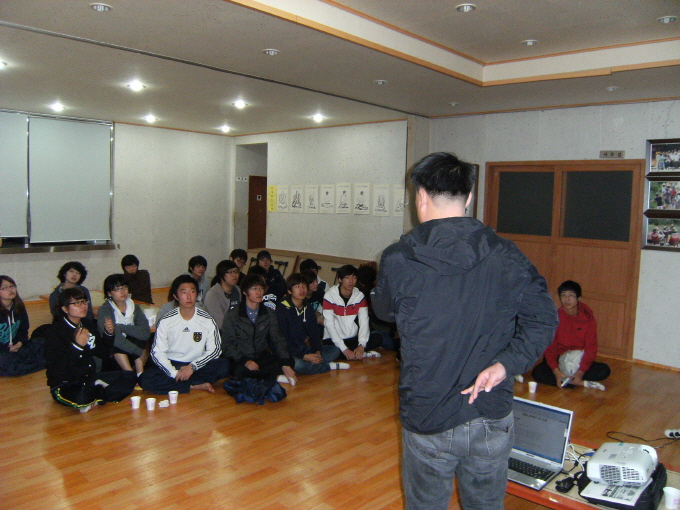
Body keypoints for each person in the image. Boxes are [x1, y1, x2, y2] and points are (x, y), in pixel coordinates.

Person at [372, 152, 557, 510]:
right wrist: (505, 365)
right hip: (489, 408)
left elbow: (384, 311)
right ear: (469, 197)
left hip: (427, 410)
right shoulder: (506, 254)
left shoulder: (398, 258)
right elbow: (544, 319)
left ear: (420, 197)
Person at [45, 287, 136, 412]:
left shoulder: (88, 324)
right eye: (77, 303)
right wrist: (77, 347)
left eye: (84, 301)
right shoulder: (55, 332)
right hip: (65, 384)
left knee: (130, 377)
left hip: (89, 378)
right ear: (65, 309)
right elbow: (59, 369)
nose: (83, 306)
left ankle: (95, 394)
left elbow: (103, 353)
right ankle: (98, 394)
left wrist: (109, 334)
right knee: (81, 398)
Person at [139, 275, 229, 394]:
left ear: (197, 294)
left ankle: (180, 384)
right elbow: (157, 352)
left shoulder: (207, 320)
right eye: (184, 292)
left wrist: (192, 367)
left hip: (196, 364)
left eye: (192, 291)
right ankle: (193, 385)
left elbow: (215, 350)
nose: (189, 296)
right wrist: (174, 373)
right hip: (172, 362)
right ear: (176, 296)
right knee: (145, 379)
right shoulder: (166, 320)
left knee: (224, 365)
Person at [532, 280, 610, 391]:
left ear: (579, 298)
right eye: (563, 295)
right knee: (538, 373)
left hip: (578, 359)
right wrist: (556, 371)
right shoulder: (555, 318)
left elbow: (591, 348)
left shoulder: (588, 319)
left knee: (604, 370)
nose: (566, 299)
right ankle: (579, 383)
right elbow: (550, 348)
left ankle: (568, 381)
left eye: (571, 296)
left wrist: (581, 372)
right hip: (559, 357)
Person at [221, 274, 296, 384]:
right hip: (241, 358)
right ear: (245, 292)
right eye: (254, 288)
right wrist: (245, 361)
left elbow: (278, 339)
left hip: (261, 357)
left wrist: (285, 364)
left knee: (290, 361)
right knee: (237, 370)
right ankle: (273, 378)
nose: (259, 292)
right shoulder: (232, 315)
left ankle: (261, 377)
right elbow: (227, 344)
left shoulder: (269, 313)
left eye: (261, 288)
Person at [276, 273, 347, 376]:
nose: (302, 290)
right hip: (288, 351)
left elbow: (314, 333)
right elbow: (283, 341)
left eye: (304, 286)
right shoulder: (282, 309)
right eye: (297, 287)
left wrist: (317, 351)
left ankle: (314, 364)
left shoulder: (308, 307)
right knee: (298, 364)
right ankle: (327, 366)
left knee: (335, 350)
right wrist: (304, 356)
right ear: (289, 291)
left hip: (304, 348)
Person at [322, 264, 381, 360]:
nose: (351, 281)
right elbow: (329, 325)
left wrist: (361, 345)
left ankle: (356, 353)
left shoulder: (359, 296)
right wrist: (344, 349)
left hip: (352, 338)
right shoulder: (329, 296)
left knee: (377, 337)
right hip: (333, 339)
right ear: (340, 279)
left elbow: (364, 321)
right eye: (347, 277)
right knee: (333, 351)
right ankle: (361, 354)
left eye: (354, 277)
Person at [97, 274, 151, 376]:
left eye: (124, 287)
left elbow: (145, 333)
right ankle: (130, 375)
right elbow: (115, 338)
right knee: (115, 340)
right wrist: (139, 352)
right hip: (112, 354)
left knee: (138, 337)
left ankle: (140, 374)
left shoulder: (135, 307)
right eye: (117, 289)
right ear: (109, 293)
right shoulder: (105, 310)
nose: (123, 291)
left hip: (132, 351)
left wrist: (120, 327)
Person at [0, 276, 45, 376]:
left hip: (16, 348)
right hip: (2, 350)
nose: (10, 290)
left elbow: (24, 329)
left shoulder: (19, 307)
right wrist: (7, 349)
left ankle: (20, 365)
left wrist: (20, 342)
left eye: (12, 286)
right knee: (5, 363)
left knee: (43, 343)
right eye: (5, 288)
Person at [204, 259, 241, 329]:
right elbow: (221, 323)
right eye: (230, 272)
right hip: (218, 332)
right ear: (221, 275)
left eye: (236, 271)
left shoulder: (238, 290)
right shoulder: (212, 295)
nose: (234, 275)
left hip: (237, 330)